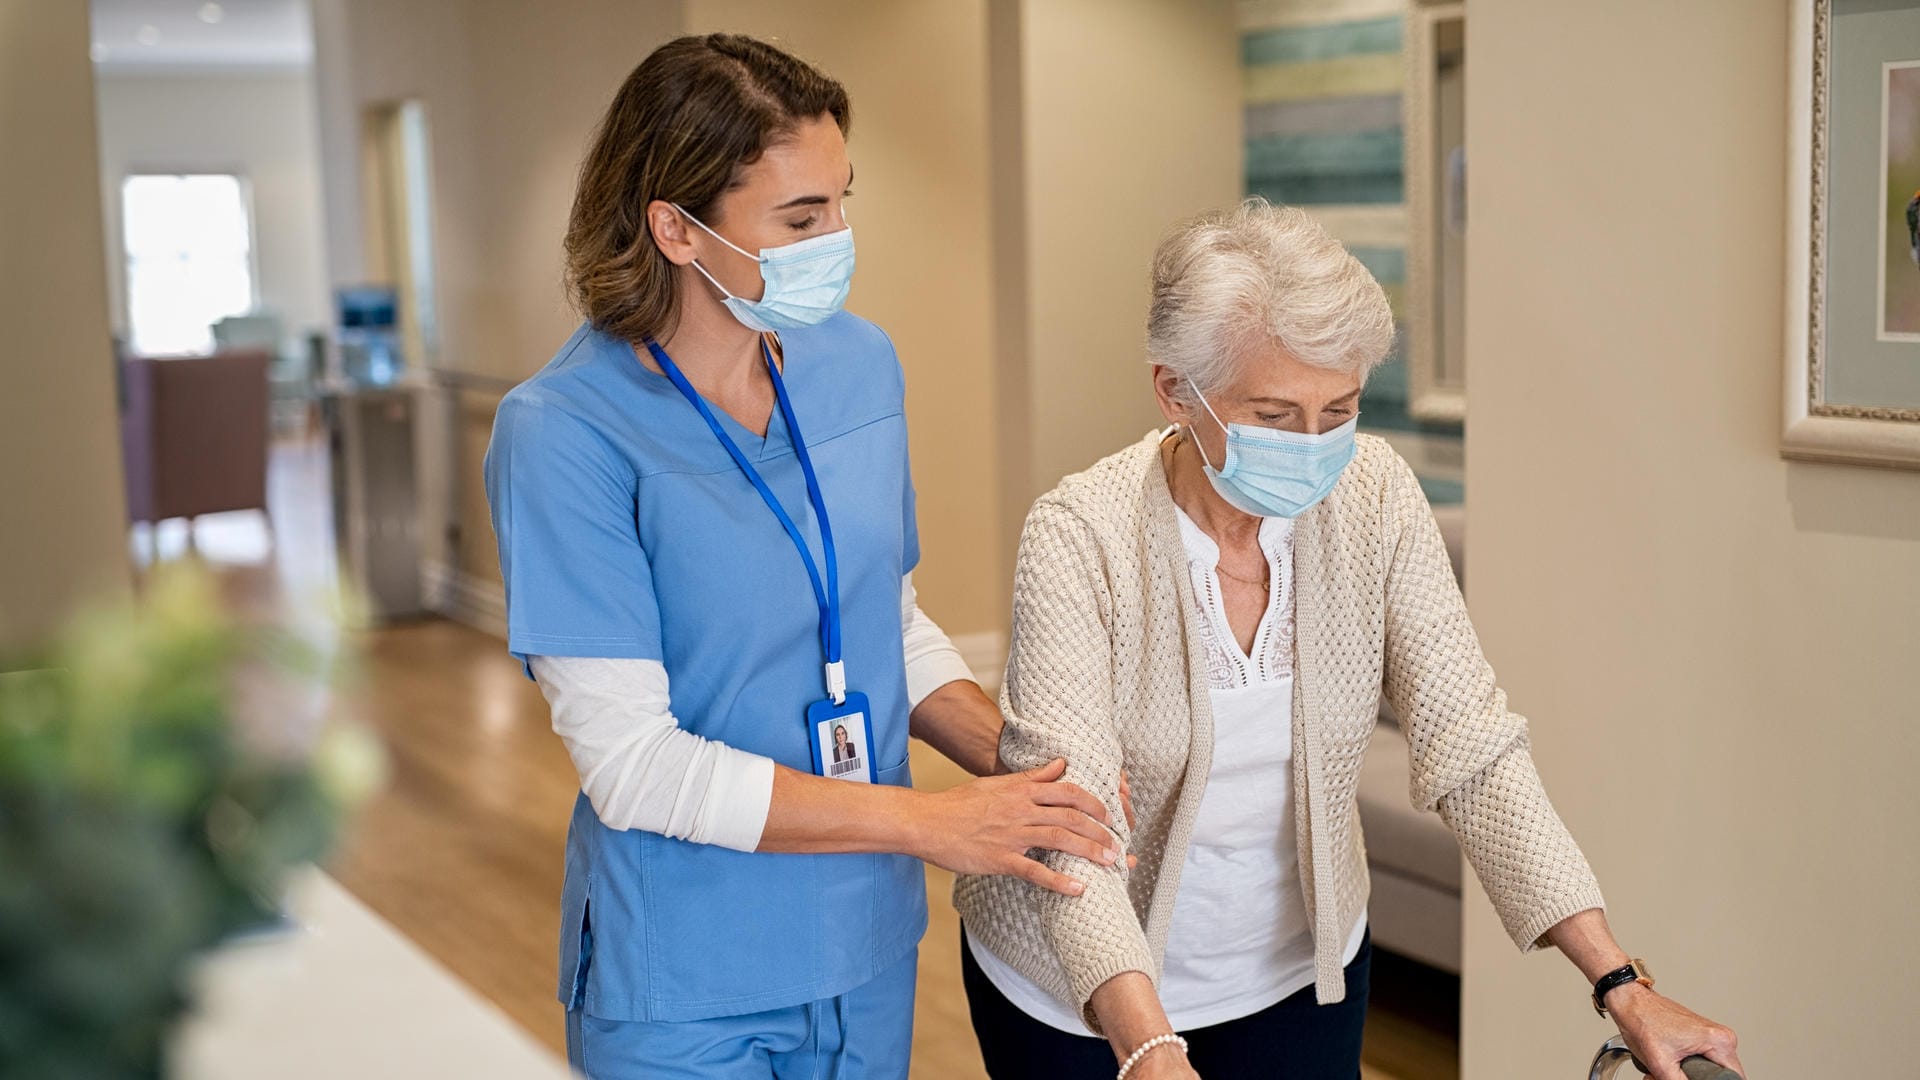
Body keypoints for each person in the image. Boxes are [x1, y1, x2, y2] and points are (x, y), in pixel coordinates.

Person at [954, 200, 1744, 1080]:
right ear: (1177, 390)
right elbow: (1073, 830)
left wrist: (1622, 982)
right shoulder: (1079, 536)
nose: (1317, 445)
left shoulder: (1374, 497)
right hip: (1077, 995)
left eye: (1341, 409)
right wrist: (1148, 1049)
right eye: (1277, 414)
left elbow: (1473, 746)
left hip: (1296, 978)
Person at [483, 35, 1118, 1079]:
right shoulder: (564, 431)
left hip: (864, 941)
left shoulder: (858, 367)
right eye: (801, 217)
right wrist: (932, 824)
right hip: (683, 974)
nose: (839, 239)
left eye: (841, 201)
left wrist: (1023, 765)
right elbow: (633, 767)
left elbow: (885, 617)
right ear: (675, 230)